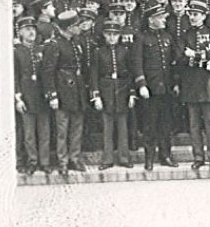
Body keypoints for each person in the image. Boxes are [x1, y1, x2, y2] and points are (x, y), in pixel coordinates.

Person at [176, 1, 210, 171]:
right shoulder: (184, 35)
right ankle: (198, 156)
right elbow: (180, 57)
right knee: (194, 124)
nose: (193, 17)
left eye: (196, 14)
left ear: (204, 16)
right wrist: (204, 57)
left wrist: (195, 55)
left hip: (208, 82)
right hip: (190, 83)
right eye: (190, 14)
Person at [41, 9, 88, 175]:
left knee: (77, 126)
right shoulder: (54, 45)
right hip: (62, 91)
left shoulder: (77, 42)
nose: (79, 28)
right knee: (62, 129)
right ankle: (63, 162)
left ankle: (74, 158)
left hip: (77, 90)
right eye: (76, 25)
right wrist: (52, 94)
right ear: (68, 27)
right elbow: (48, 72)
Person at [134, 5, 177, 171]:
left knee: (166, 124)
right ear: (152, 20)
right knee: (150, 125)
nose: (164, 20)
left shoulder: (167, 37)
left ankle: (165, 155)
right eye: (161, 17)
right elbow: (137, 63)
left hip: (166, 88)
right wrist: (142, 84)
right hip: (150, 89)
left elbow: (172, 62)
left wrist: (175, 83)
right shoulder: (142, 38)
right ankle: (149, 157)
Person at [89, 21, 135, 170]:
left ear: (119, 36)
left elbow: (130, 73)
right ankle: (107, 159)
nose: (112, 37)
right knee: (107, 127)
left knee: (123, 126)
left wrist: (132, 94)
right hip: (105, 90)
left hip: (122, 89)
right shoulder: (98, 52)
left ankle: (124, 157)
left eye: (115, 34)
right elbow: (94, 75)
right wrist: (96, 96)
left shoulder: (126, 51)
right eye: (109, 34)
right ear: (104, 35)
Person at [14, 16, 50, 175]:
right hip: (26, 96)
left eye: (33, 29)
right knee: (28, 133)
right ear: (20, 32)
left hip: (41, 95)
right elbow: (14, 76)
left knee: (44, 132)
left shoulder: (41, 49)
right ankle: (32, 161)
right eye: (27, 29)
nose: (31, 32)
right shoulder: (16, 52)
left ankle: (45, 162)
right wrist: (18, 98)